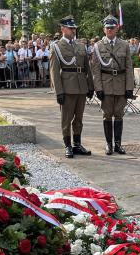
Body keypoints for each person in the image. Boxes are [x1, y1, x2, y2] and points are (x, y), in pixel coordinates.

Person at [50, 15, 94, 158]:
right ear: (63, 29)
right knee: (66, 119)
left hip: (81, 87)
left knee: (79, 118)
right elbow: (54, 71)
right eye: (70, 28)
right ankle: (67, 145)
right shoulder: (57, 47)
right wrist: (58, 92)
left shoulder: (80, 45)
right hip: (67, 88)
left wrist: (90, 86)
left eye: (74, 28)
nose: (73, 30)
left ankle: (77, 144)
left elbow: (87, 68)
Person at [91, 15, 134, 155]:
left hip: (121, 85)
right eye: (107, 27)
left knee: (119, 115)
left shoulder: (125, 45)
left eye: (112, 27)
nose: (110, 30)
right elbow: (96, 70)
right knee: (107, 115)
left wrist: (129, 88)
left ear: (117, 28)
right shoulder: (98, 46)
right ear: (104, 29)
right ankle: (108, 144)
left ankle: (118, 144)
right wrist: (98, 88)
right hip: (106, 85)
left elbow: (129, 68)